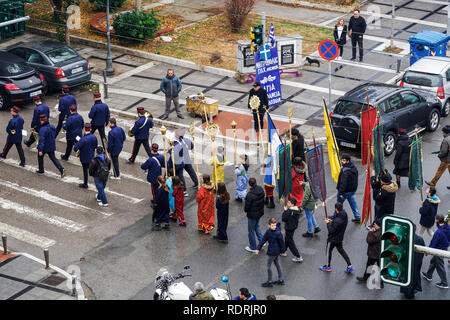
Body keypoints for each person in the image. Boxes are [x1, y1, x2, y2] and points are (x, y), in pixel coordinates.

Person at [319, 203, 354, 273]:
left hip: (332, 239)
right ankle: (349, 265)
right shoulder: (344, 214)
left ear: (336, 209)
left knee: (328, 252)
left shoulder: (337, 221)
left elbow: (331, 230)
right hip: (340, 238)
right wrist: (331, 219)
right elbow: (336, 218)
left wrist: (328, 223)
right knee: (341, 251)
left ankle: (327, 266)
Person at [422, 214, 450, 289]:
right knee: (433, 261)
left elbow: (433, 243)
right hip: (445, 247)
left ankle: (444, 283)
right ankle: (429, 275)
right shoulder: (448, 227)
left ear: (437, 220)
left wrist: (427, 251)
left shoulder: (438, 232)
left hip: (438, 250)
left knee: (440, 266)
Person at [256, 218, 286, 287]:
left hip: (273, 252)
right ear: (269, 225)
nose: (274, 227)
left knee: (268, 266)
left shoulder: (278, 233)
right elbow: (263, 240)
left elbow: (282, 243)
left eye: (275, 225)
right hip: (274, 251)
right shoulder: (268, 232)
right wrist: (258, 248)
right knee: (277, 264)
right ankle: (281, 280)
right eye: (272, 225)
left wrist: (283, 251)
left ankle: (269, 281)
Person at [400, 233, 426, 299]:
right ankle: (414, 289)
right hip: (417, 261)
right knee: (415, 275)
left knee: (407, 276)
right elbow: (424, 249)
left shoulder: (405, 238)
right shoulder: (420, 238)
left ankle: (407, 292)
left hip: (408, 261)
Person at [336, 154, 360, 222]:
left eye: (344, 160)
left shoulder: (345, 171)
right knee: (353, 204)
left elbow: (343, 183)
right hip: (352, 190)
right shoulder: (353, 167)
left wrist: (340, 193)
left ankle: (336, 217)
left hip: (345, 192)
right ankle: (358, 217)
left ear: (347, 161)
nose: (342, 161)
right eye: (342, 160)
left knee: (338, 205)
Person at [74, 123, 98, 189]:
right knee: (92, 170)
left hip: (84, 158)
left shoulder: (83, 139)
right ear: (90, 129)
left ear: (84, 129)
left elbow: (75, 148)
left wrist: (77, 142)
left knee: (85, 171)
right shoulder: (94, 137)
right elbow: (95, 146)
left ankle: (85, 184)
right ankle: (98, 181)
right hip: (91, 157)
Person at [244, 177, 265, 253]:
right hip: (259, 212)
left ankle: (253, 246)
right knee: (257, 226)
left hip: (252, 214)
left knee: (251, 231)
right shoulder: (260, 189)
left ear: (249, 184)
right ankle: (262, 241)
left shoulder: (249, 195)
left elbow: (247, 207)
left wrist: (246, 210)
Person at [141, 143, 165, 208]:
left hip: (153, 177)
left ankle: (155, 202)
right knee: (158, 188)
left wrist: (142, 164)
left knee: (154, 190)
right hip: (159, 175)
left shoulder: (151, 160)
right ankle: (158, 199)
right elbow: (164, 165)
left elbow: (143, 167)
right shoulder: (161, 157)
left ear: (152, 149)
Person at [281, 197, 303, 263]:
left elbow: (283, 218)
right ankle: (283, 251)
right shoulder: (297, 210)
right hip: (293, 227)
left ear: (292, 204)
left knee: (290, 242)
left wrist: (285, 211)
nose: (287, 203)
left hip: (289, 227)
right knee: (287, 239)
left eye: (289, 202)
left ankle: (298, 256)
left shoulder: (289, 211)